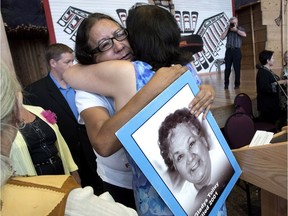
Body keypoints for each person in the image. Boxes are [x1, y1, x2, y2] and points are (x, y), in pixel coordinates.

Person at [63, 4, 226, 216]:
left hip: (159, 184)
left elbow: (68, 73)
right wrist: (151, 89)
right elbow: (102, 142)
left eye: (121, 35)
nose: (119, 45)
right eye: (104, 44)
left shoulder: (136, 70)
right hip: (120, 180)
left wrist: (205, 90)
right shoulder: (117, 77)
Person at [0, 62, 138, 216]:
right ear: (15, 111)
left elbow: (60, 143)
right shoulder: (61, 200)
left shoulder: (38, 111)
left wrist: (73, 173)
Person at [24, 43, 103, 194]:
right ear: (53, 63)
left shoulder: (82, 83)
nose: (72, 65)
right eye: (67, 62)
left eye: (73, 61)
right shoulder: (34, 92)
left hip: (92, 147)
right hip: (66, 153)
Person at [158, 108, 234, 215]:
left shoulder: (225, 163)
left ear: (203, 141)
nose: (190, 159)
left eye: (191, 144)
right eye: (180, 156)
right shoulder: (184, 204)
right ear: (175, 167)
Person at [10, 92, 80, 183]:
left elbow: (61, 143)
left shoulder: (38, 110)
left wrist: (73, 171)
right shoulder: (4, 123)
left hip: (61, 170)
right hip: (36, 179)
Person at [256, 50, 287, 130]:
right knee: (270, 126)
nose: (274, 60)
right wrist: (280, 82)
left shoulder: (267, 71)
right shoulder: (263, 72)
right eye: (272, 58)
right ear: (267, 60)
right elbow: (265, 87)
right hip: (267, 106)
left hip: (272, 105)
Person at [220, 16, 246, 89]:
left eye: (234, 23)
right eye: (231, 23)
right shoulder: (228, 30)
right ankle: (226, 84)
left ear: (237, 23)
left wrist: (236, 30)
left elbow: (244, 34)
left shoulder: (240, 28)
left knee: (237, 68)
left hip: (236, 50)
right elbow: (221, 37)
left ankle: (237, 84)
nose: (233, 24)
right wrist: (227, 29)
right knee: (227, 68)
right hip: (228, 51)